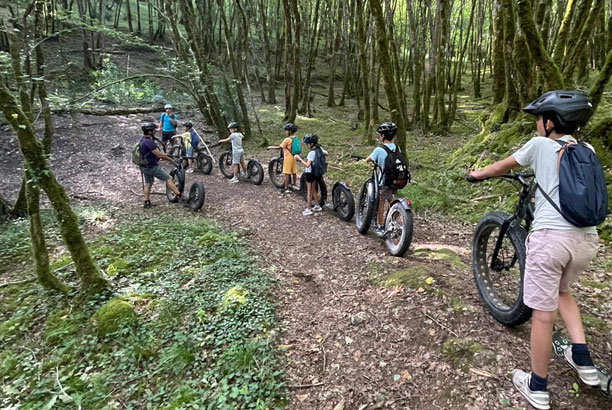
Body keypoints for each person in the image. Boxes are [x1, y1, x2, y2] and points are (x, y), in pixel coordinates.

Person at [469, 91, 599, 410]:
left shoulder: (540, 145)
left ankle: (537, 386)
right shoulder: (587, 149)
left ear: (550, 121)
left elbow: (502, 166)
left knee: (543, 315)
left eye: (539, 120)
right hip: (586, 241)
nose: (537, 126)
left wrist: (477, 174)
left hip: (551, 239)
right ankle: (583, 360)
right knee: (563, 292)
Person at [364, 122, 401, 237]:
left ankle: (380, 225)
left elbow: (368, 160)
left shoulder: (379, 149)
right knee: (391, 200)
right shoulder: (396, 147)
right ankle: (400, 220)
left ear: (383, 136)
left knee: (381, 202)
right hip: (395, 180)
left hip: (384, 181)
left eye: (380, 134)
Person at [138, 123, 182, 208]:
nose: (155, 131)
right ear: (150, 131)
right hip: (151, 167)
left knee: (148, 183)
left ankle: (146, 202)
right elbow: (159, 155)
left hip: (144, 166)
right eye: (154, 130)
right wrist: (171, 160)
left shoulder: (142, 139)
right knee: (168, 178)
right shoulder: (149, 142)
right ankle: (179, 195)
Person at [294, 133, 328, 216]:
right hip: (317, 173)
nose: (306, 145)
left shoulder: (311, 153)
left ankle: (308, 209)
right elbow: (326, 153)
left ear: (311, 143)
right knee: (313, 189)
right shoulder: (319, 149)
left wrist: (299, 159)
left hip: (310, 173)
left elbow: (307, 165)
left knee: (309, 191)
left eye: (307, 144)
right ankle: (317, 205)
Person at [267, 123, 300, 193]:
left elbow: (279, 147)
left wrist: (270, 147)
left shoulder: (287, 139)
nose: (285, 132)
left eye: (286, 130)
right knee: (294, 172)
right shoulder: (296, 138)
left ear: (290, 131)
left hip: (288, 158)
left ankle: (286, 188)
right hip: (294, 156)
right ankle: (294, 184)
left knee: (287, 173)